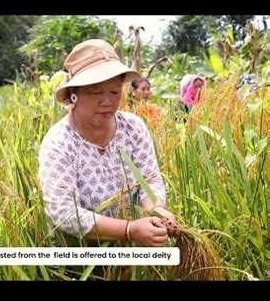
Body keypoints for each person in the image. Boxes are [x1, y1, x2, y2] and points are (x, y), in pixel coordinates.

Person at [38, 39, 179, 247]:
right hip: (78, 257)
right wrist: (129, 229)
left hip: (130, 254)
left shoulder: (133, 128)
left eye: (114, 92)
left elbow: (149, 180)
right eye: (96, 92)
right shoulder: (59, 142)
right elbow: (64, 212)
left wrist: (156, 210)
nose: (108, 101)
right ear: (73, 95)